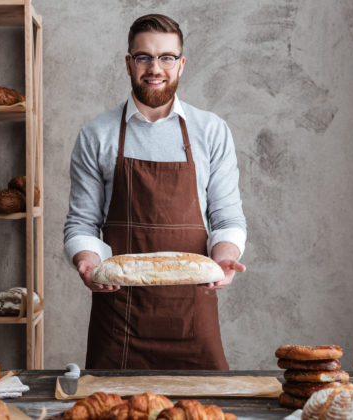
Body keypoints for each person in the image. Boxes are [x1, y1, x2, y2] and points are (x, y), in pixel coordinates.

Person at [64, 14, 247, 370]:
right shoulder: (96, 134)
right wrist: (86, 259)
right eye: (144, 57)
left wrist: (224, 257)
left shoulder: (211, 130)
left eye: (166, 57)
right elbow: (82, 223)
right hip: (119, 320)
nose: (155, 67)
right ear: (128, 63)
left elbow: (226, 217)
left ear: (181, 64)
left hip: (192, 314)